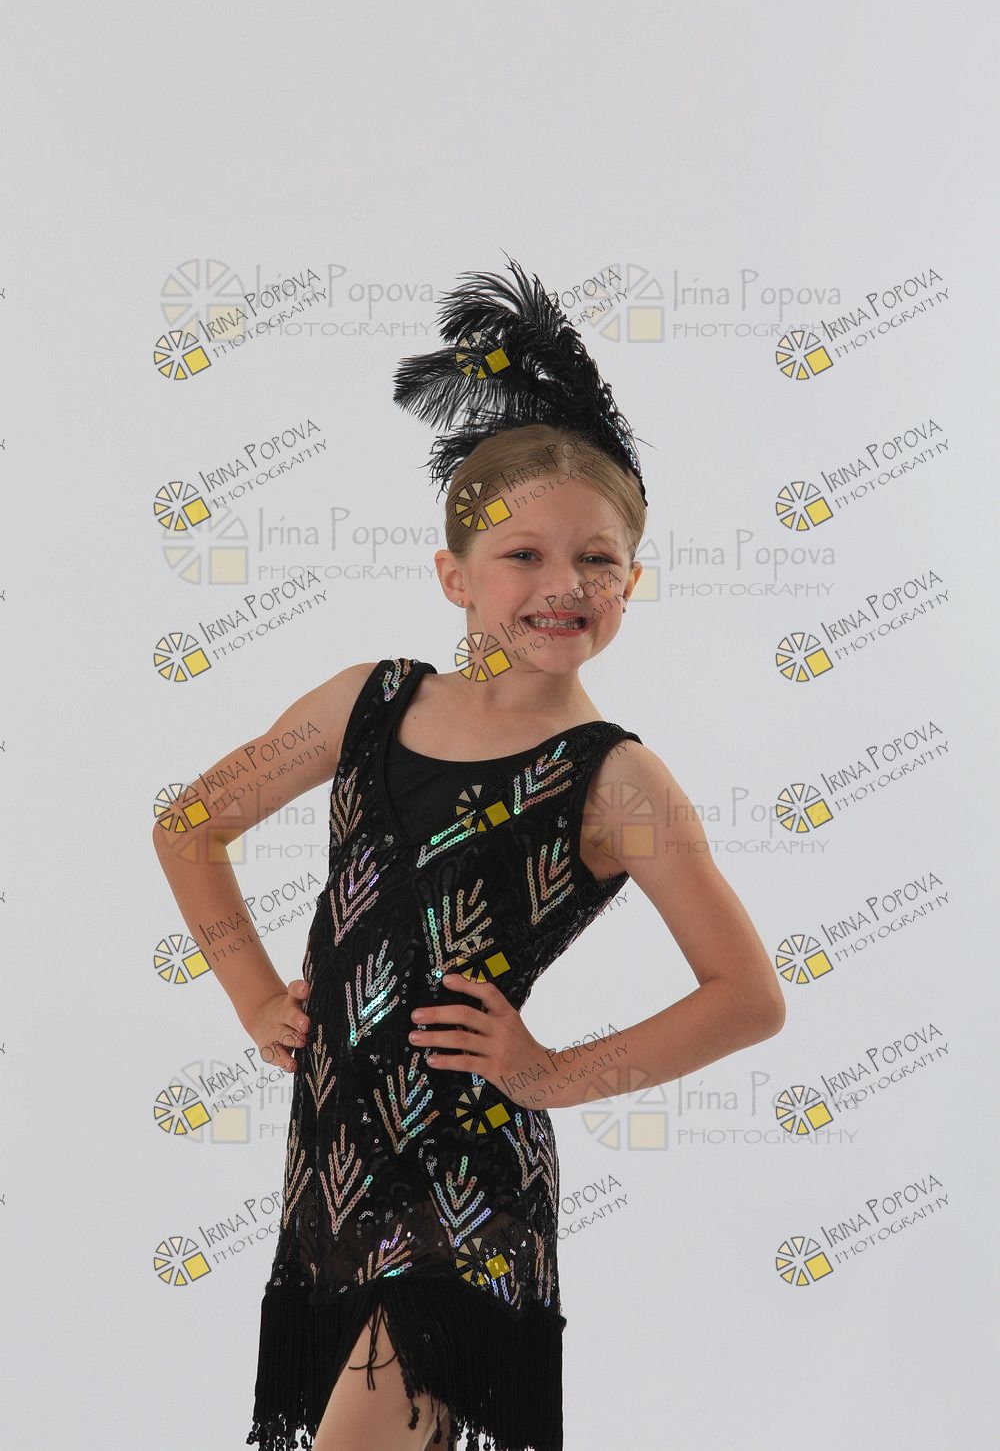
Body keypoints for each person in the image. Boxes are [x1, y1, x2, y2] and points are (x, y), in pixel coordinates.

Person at [152, 255, 786, 1451]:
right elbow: (190, 824)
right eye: (523, 555)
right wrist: (251, 995)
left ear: (632, 579)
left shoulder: (615, 780)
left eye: (597, 558)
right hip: (332, 1165)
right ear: (453, 575)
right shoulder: (368, 703)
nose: (564, 584)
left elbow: (746, 997)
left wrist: (550, 1074)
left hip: (467, 1187)